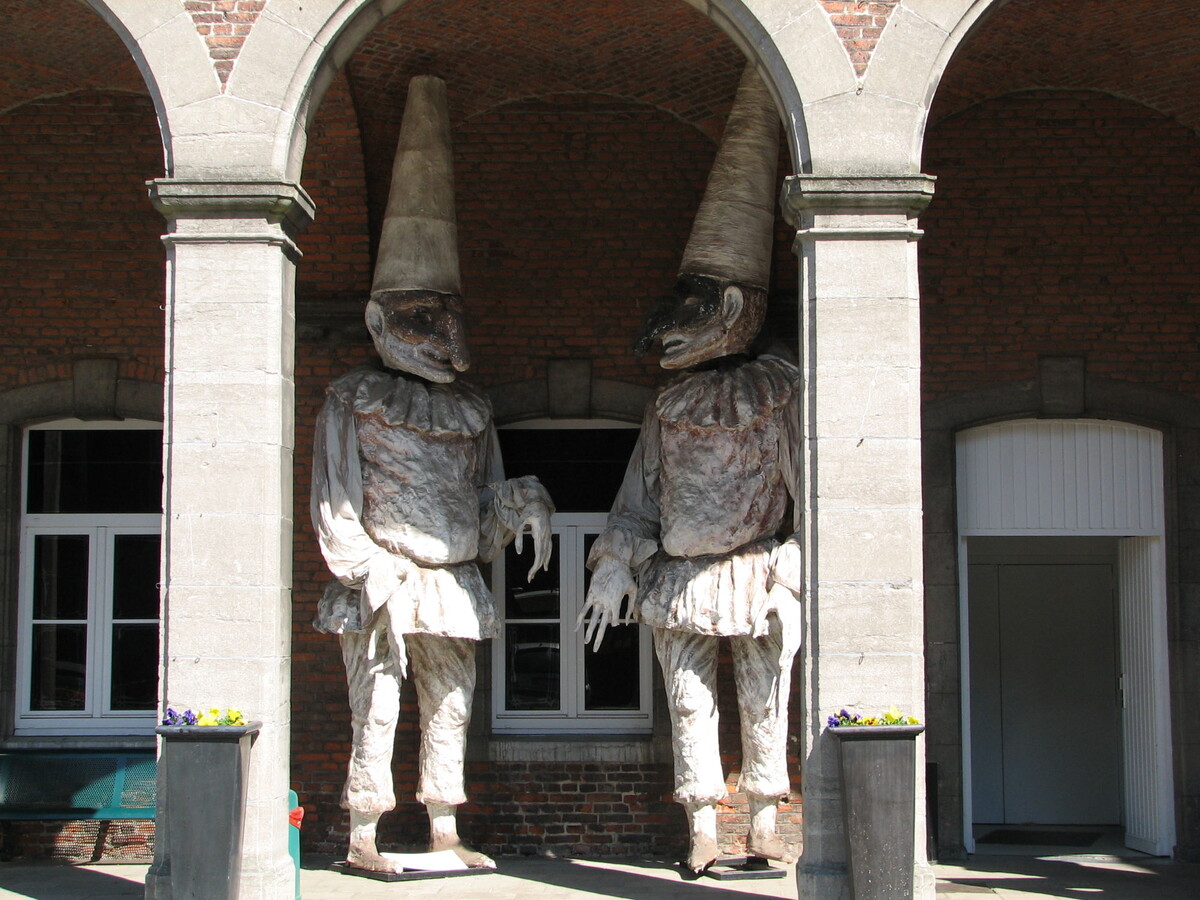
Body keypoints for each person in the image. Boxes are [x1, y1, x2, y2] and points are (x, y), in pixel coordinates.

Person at [311, 75, 553, 873]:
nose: (449, 344)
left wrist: (518, 505)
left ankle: (446, 826)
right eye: (425, 321)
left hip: (450, 580)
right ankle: (364, 833)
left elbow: (478, 507)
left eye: (452, 321)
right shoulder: (352, 399)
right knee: (376, 707)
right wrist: (365, 567)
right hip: (382, 577)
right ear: (379, 320)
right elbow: (334, 500)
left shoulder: (472, 411)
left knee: (451, 705)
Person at [577, 66, 802, 874]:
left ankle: (766, 817)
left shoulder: (781, 392)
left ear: (734, 311)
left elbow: (811, 495)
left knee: (766, 696)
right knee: (688, 700)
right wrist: (613, 562)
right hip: (681, 574)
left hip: (758, 568)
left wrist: (799, 568)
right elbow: (641, 495)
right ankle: (703, 825)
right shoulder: (668, 405)